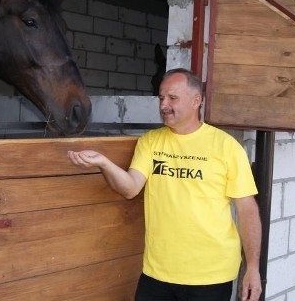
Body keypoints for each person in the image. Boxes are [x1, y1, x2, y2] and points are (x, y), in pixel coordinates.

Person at [67, 68, 262, 301]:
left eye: (173, 98)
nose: (164, 105)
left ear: (196, 101)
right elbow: (130, 188)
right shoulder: (151, 142)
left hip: (211, 275)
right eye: (161, 98)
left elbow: (247, 209)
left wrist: (252, 267)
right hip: (157, 272)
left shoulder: (227, 147)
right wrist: (103, 163)